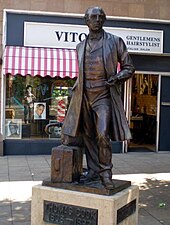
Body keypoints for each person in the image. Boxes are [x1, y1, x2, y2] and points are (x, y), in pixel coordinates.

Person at [62, 6, 135, 189]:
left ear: (104, 20)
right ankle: (94, 171)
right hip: (84, 97)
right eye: (93, 17)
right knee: (88, 136)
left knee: (102, 135)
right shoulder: (80, 47)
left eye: (100, 16)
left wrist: (117, 78)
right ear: (86, 21)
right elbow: (81, 74)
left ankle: (106, 173)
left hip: (103, 96)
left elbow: (129, 68)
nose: (97, 19)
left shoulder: (115, 41)